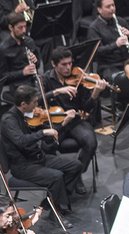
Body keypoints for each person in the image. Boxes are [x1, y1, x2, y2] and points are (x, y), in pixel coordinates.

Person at [0, 85, 83, 221]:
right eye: (34, 102)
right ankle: (54, 215)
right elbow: (21, 141)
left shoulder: (26, 114)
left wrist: (62, 123)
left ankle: (51, 201)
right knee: (56, 177)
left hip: (38, 158)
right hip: (22, 166)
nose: (37, 105)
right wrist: (43, 132)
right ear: (23, 104)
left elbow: (45, 141)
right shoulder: (9, 120)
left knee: (76, 165)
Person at [41, 47, 103, 192]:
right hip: (56, 120)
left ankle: (76, 176)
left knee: (91, 142)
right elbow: (37, 100)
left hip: (75, 122)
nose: (68, 67)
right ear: (54, 64)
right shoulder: (45, 79)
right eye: (64, 64)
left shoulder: (78, 78)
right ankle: (57, 179)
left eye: (70, 63)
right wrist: (56, 91)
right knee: (47, 146)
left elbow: (85, 108)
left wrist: (95, 95)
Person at [88, 0, 129, 78]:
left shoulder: (120, 21)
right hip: (109, 65)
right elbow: (96, 52)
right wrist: (115, 45)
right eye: (108, 7)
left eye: (113, 5)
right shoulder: (94, 28)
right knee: (123, 79)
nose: (112, 9)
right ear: (99, 10)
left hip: (127, 60)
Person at [0, 13, 40, 94]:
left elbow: (38, 65)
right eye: (20, 28)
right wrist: (22, 72)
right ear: (11, 27)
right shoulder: (4, 48)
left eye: (25, 27)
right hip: (17, 85)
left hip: (33, 81)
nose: (24, 30)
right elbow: (3, 77)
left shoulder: (29, 42)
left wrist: (36, 61)